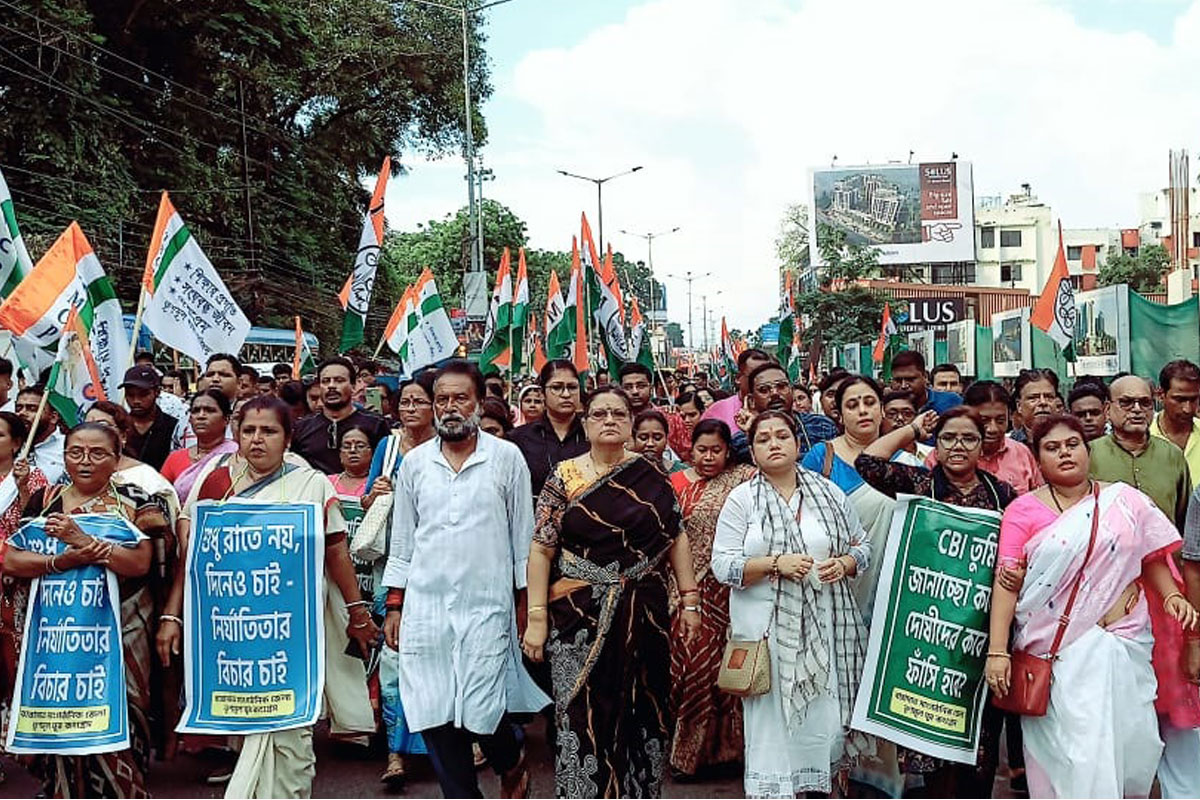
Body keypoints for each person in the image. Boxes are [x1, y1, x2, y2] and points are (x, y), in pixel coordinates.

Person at [158, 396, 378, 798]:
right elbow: (190, 561)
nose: (257, 440)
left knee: (292, 730)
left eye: (269, 431)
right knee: (247, 722)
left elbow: (335, 549)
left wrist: (356, 611)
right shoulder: (217, 483)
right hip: (235, 629)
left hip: (292, 630)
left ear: (288, 438)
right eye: (248, 431)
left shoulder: (309, 483)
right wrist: (172, 616)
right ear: (237, 435)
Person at [986, 414, 1200, 799]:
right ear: (1037, 459)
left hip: (1126, 641)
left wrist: (1171, 595)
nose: (1064, 453)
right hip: (1060, 652)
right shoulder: (1023, 511)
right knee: (1080, 754)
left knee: (1134, 744)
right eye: (1052, 448)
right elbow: (1007, 585)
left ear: (1088, 451)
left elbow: (1151, 557)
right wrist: (998, 651)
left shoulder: (1125, 501)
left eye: (1072, 445)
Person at [523, 386, 699, 798]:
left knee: (644, 710)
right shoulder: (564, 476)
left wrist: (690, 601)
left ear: (631, 425)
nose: (609, 421)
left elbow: (677, 538)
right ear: (585, 424)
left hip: (645, 610)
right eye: (600, 413)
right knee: (582, 712)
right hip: (578, 611)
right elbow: (542, 547)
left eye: (618, 414)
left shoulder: (652, 475)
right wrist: (535, 617)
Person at [382, 360, 547, 799]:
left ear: (478, 403)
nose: (450, 408)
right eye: (442, 400)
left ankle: (510, 759)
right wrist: (395, 605)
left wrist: (525, 610)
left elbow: (522, 540)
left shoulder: (506, 457)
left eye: (460, 399)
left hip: (487, 605)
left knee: (482, 708)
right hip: (425, 607)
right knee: (434, 709)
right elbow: (402, 542)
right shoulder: (415, 464)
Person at [856, 407, 1018, 794]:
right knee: (931, 748)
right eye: (948, 438)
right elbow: (867, 462)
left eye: (968, 438)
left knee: (979, 743)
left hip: (978, 632)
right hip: (926, 631)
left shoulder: (1003, 494)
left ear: (983, 445)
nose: (958, 446)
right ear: (936, 444)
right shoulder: (919, 484)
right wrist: (911, 429)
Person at [712, 410, 873, 797]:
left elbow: (862, 546)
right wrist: (773, 565)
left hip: (826, 628)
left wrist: (846, 562)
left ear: (798, 445)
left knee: (823, 723)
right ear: (752, 452)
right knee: (772, 726)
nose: (773, 443)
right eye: (763, 438)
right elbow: (722, 565)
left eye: (781, 435)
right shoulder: (742, 499)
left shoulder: (828, 493)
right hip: (766, 634)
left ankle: (816, 787)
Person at [3, 423, 160, 797]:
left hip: (120, 629)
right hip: (56, 635)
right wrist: (62, 562)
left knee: (119, 715)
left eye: (97, 453)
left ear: (116, 456)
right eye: (75, 453)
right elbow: (12, 560)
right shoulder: (45, 500)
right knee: (57, 714)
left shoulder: (136, 500)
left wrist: (86, 542)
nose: (84, 461)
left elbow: (141, 563)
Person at [668, 419, 754, 777]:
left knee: (731, 672)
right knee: (692, 670)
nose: (708, 457)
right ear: (690, 449)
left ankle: (728, 753)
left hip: (733, 591)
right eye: (701, 450)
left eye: (716, 450)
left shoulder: (745, 480)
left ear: (727, 451)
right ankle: (688, 755)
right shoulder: (674, 483)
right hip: (687, 591)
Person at [361, 373, 435, 786]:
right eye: (404, 403)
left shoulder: (449, 447)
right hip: (392, 566)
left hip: (438, 568)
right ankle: (395, 753)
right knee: (392, 661)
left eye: (418, 402)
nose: (409, 410)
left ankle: (456, 744)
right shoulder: (388, 448)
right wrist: (379, 493)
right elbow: (368, 497)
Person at [800, 375, 897, 618]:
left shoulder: (904, 459)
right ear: (840, 415)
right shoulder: (821, 457)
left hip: (892, 581)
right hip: (834, 579)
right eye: (852, 405)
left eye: (870, 403)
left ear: (882, 409)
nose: (863, 411)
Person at [0, 412, 47, 749]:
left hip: (14, 582)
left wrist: (21, 486)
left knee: (13, 659)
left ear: (17, 443)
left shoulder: (34, 478)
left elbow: (35, 527)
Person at [1090, 375, 1190, 531]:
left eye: (1145, 403)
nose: (1137, 409)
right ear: (1107, 410)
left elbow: (1185, 517)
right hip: (1109, 553)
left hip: (1165, 553)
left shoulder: (1172, 454)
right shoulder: (1090, 454)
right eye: (1126, 402)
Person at [926, 380, 1043, 493]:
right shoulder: (942, 455)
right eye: (984, 421)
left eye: (1000, 420)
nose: (993, 429)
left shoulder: (1021, 453)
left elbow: (1039, 501)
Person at [291, 357, 390, 475]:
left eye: (339, 380)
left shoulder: (376, 424)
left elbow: (385, 468)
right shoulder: (302, 428)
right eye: (326, 381)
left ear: (353, 386)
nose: (331, 386)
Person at [509, 360, 589, 499]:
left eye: (572, 387)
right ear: (542, 393)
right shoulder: (518, 438)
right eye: (557, 387)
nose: (566, 394)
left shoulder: (593, 434)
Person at [730, 362, 838, 463]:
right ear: (751, 401)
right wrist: (751, 433)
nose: (775, 394)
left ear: (791, 391)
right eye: (764, 390)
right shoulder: (740, 442)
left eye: (781, 386)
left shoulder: (821, 425)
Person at [159, 389, 239, 503]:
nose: (201, 416)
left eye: (210, 410)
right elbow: (162, 497)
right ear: (190, 419)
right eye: (196, 411)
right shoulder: (175, 458)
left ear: (226, 419)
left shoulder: (237, 454)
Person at [619, 363, 691, 460]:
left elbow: (688, 457)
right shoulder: (616, 422)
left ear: (651, 388)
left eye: (641, 386)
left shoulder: (671, 417)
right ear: (620, 390)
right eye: (628, 387)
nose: (635, 391)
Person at [174, 353, 240, 449]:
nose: (215, 379)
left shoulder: (250, 416)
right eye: (210, 375)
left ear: (239, 382)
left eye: (224, 375)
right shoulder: (186, 421)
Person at [121, 364, 180, 471]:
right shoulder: (119, 426)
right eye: (130, 395)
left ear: (157, 392)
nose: (136, 401)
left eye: (143, 394)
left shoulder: (174, 427)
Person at [700, 348, 773, 430]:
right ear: (738, 378)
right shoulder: (717, 411)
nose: (762, 382)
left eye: (766, 376)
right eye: (754, 376)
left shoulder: (777, 408)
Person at [1153, 360, 1200, 487]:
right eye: (1179, 399)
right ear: (1160, 395)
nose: (1188, 409)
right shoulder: (1144, 436)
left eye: (1194, 399)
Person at [14, 385, 65, 484]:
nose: (22, 413)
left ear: (53, 417)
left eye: (32, 409)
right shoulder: (7, 444)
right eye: (18, 408)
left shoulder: (68, 447)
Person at [889, 351, 961, 415]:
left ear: (925, 377)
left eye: (910, 379)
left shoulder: (951, 402)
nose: (903, 386)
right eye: (898, 381)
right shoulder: (885, 408)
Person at [1009, 368, 1059, 445]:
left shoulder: (1071, 441)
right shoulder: (1010, 445)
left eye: (1049, 397)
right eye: (1033, 398)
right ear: (1019, 406)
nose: (1043, 402)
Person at [880, 390, 932, 464]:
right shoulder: (876, 456)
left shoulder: (932, 454)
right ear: (882, 418)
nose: (900, 418)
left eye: (907, 414)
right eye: (892, 414)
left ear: (917, 417)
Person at [631, 408, 684, 473]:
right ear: (634, 439)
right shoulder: (624, 472)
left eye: (657, 438)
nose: (650, 444)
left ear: (666, 440)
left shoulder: (682, 472)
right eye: (643, 438)